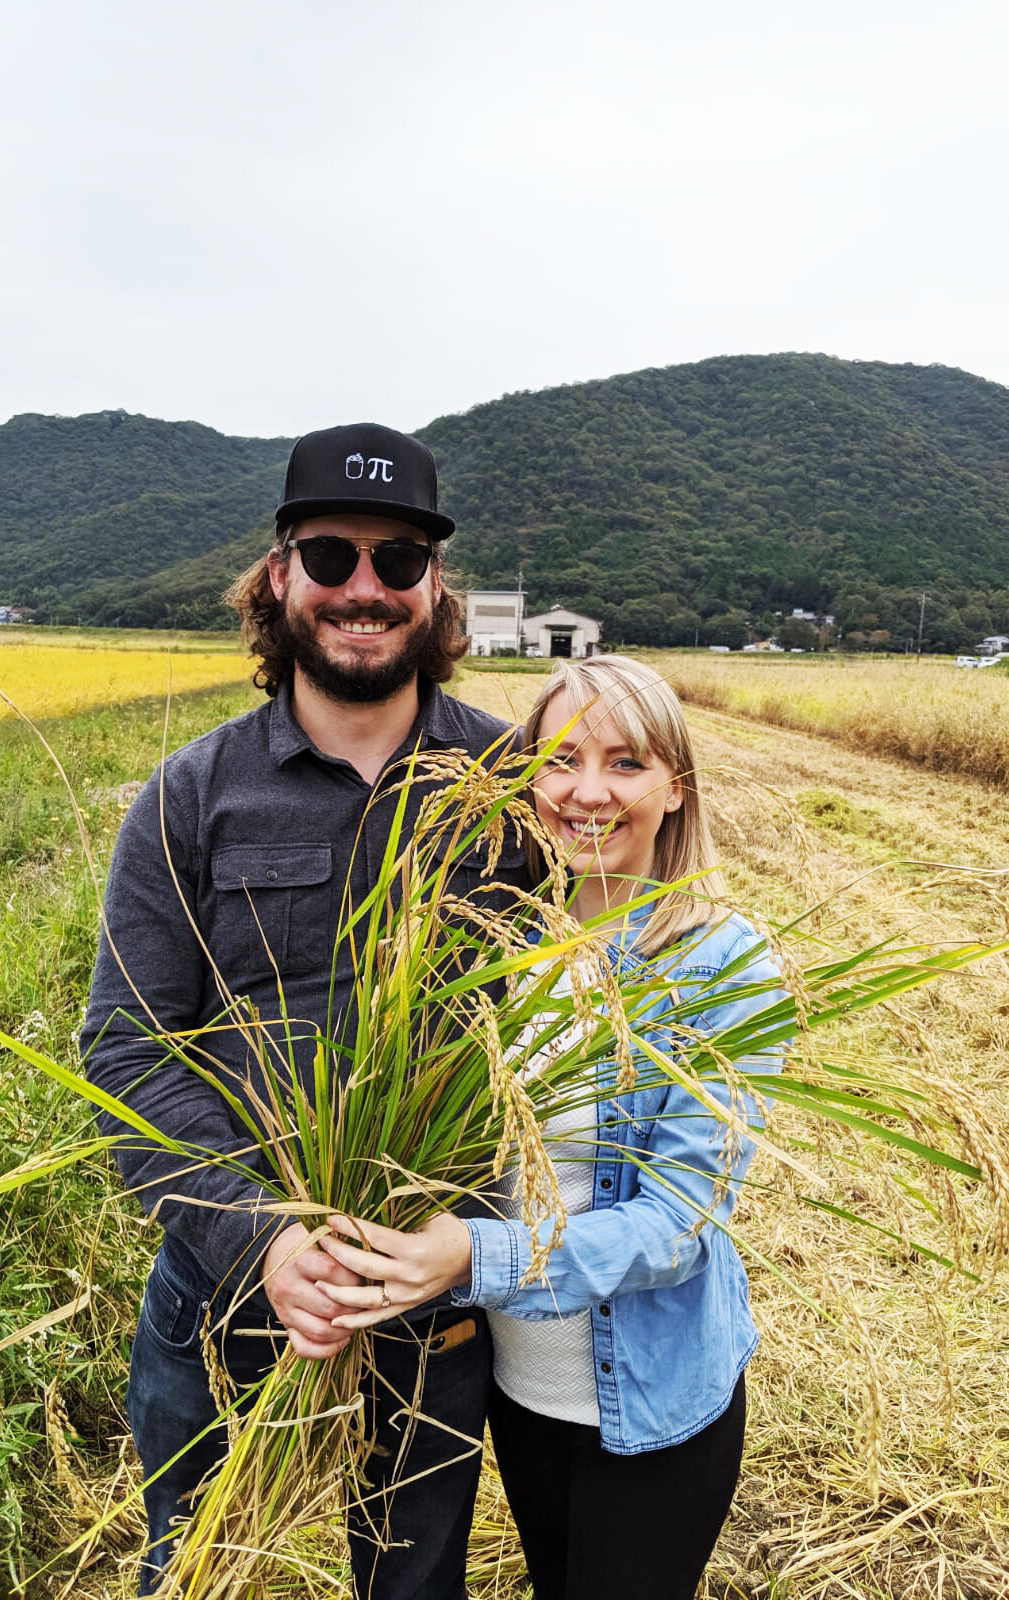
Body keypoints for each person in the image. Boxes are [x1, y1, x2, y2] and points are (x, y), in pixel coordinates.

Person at [80, 422, 529, 1599]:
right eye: (330, 557)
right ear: (279, 577)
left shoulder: (514, 788)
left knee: (413, 1585)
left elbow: (590, 1009)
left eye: (399, 561)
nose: (364, 590)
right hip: (226, 1290)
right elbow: (124, 1046)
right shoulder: (192, 793)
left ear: (438, 590)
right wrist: (264, 1236)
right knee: (199, 1569)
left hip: (429, 1296)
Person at [316, 654, 786, 1600]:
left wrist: (470, 1258)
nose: (586, 792)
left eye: (625, 763)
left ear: (674, 786)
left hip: (645, 1406)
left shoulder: (722, 964)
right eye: (561, 760)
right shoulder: (503, 940)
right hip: (520, 1391)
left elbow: (679, 1226)